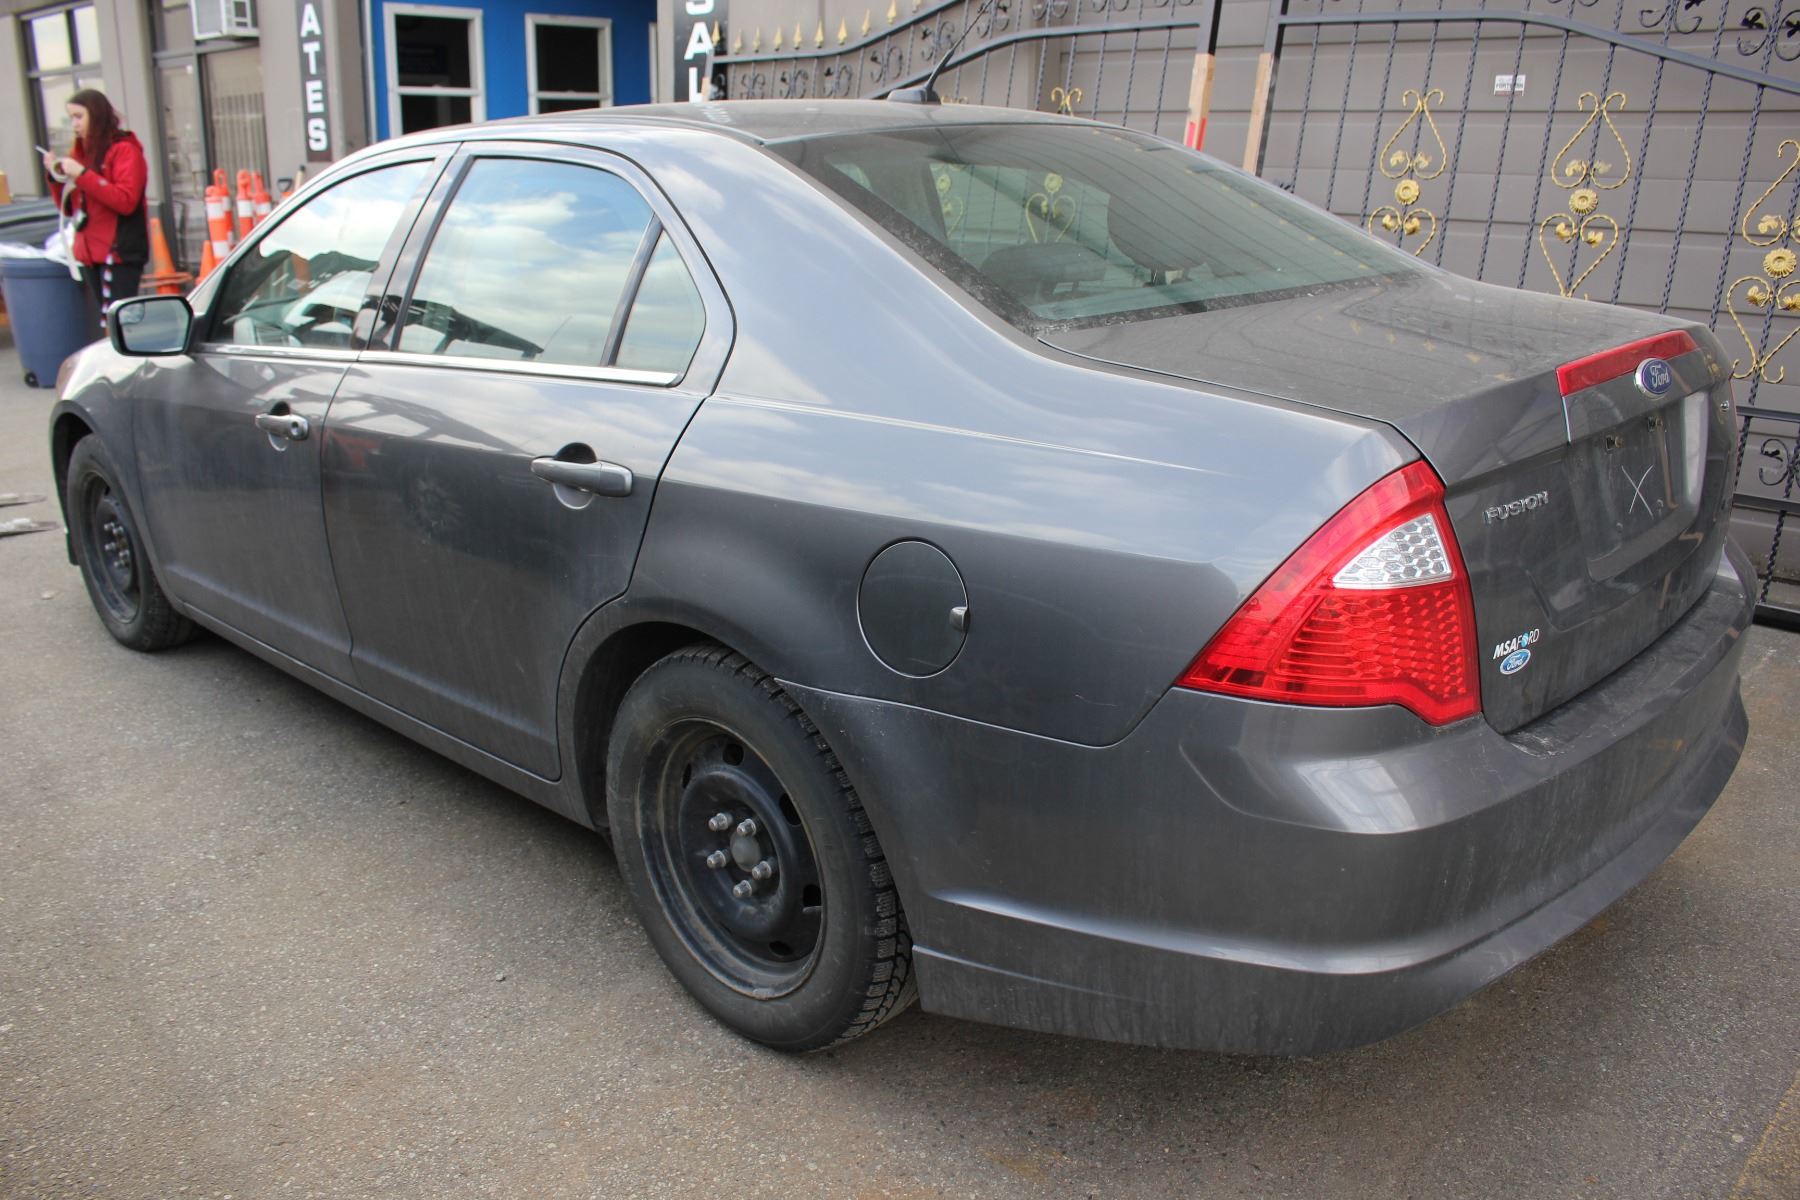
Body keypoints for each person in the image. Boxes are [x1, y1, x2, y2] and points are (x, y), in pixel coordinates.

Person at [42, 89, 149, 327]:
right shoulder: (81, 153)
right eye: (71, 118)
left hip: (118, 251)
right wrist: (56, 178)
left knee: (121, 324)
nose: (75, 124)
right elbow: (69, 209)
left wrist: (82, 175)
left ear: (96, 115)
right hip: (91, 252)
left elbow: (126, 201)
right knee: (109, 323)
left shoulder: (124, 150)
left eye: (79, 116)